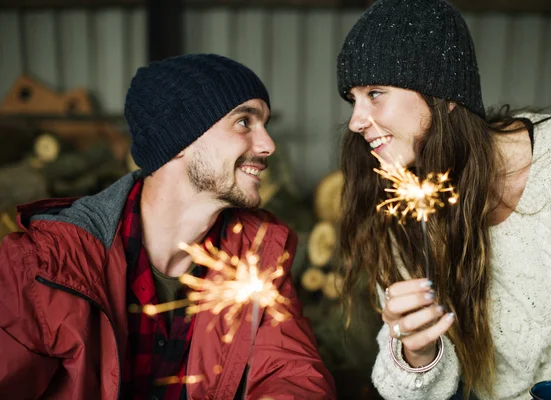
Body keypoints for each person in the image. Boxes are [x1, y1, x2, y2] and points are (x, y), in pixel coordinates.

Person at [0, 54, 336, 400]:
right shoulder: (44, 264)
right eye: (244, 122)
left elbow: (291, 375)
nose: (268, 145)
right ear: (178, 141)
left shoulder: (259, 253)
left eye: (264, 124)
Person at [335, 0, 551, 399]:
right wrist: (416, 350)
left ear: (446, 94)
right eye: (353, 99)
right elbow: (422, 393)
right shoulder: (400, 206)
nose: (356, 121)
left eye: (375, 93)